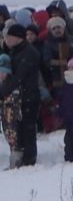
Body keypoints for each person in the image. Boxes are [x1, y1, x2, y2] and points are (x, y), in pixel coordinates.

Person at [1, 23, 45, 166]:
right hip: (19, 97)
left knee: (28, 128)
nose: (5, 40)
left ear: (17, 37)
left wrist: (2, 91)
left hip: (28, 96)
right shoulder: (15, 51)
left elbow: (19, 77)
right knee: (18, 128)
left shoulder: (29, 53)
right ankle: (21, 157)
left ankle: (29, 159)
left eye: (8, 37)